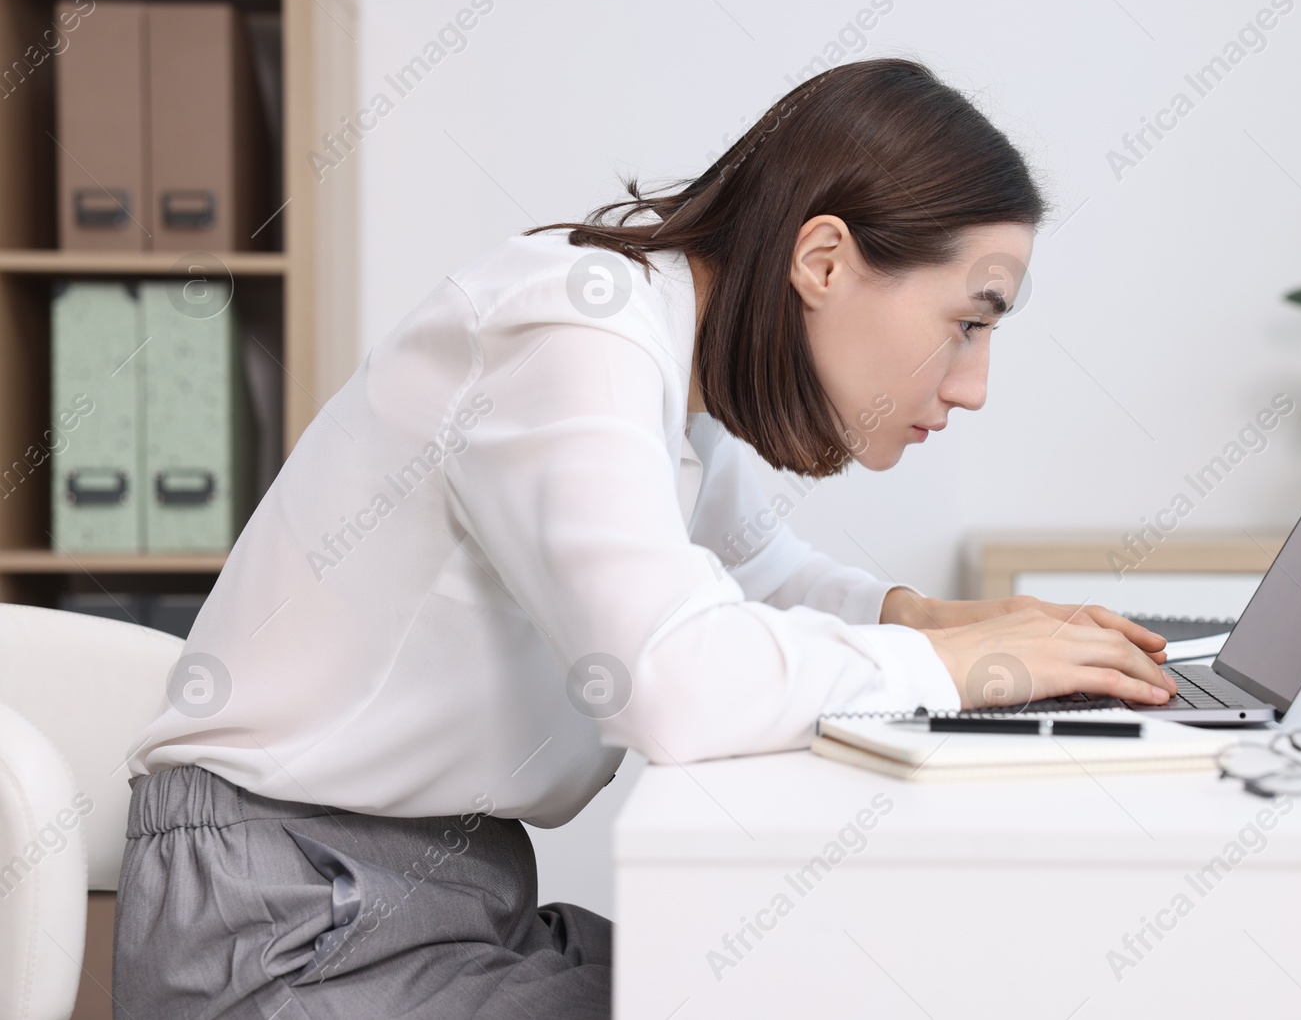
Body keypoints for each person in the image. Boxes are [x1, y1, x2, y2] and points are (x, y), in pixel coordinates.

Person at [112, 57, 1176, 1019]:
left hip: (404, 901)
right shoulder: (577, 324)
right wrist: (958, 665)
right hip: (291, 928)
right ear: (824, 258)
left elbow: (752, 576)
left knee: (820, 973)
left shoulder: (666, 358)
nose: (974, 382)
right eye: (970, 318)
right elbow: (670, 676)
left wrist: (932, 619)